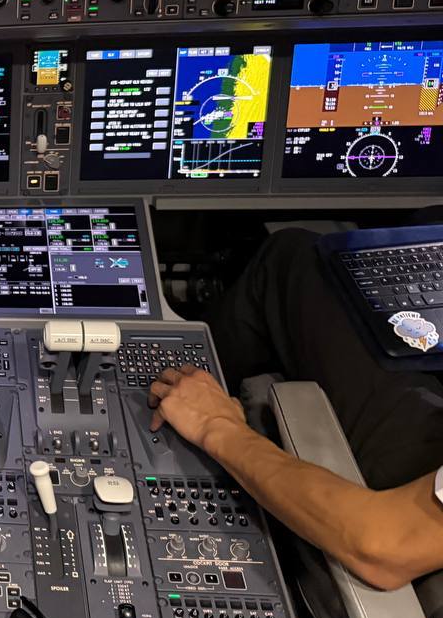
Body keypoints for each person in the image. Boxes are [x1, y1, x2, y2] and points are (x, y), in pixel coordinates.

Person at [150, 228, 443, 592]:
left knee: (284, 266)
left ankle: (181, 391)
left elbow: (382, 545)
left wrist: (216, 425)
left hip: (403, 512)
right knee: (299, 259)